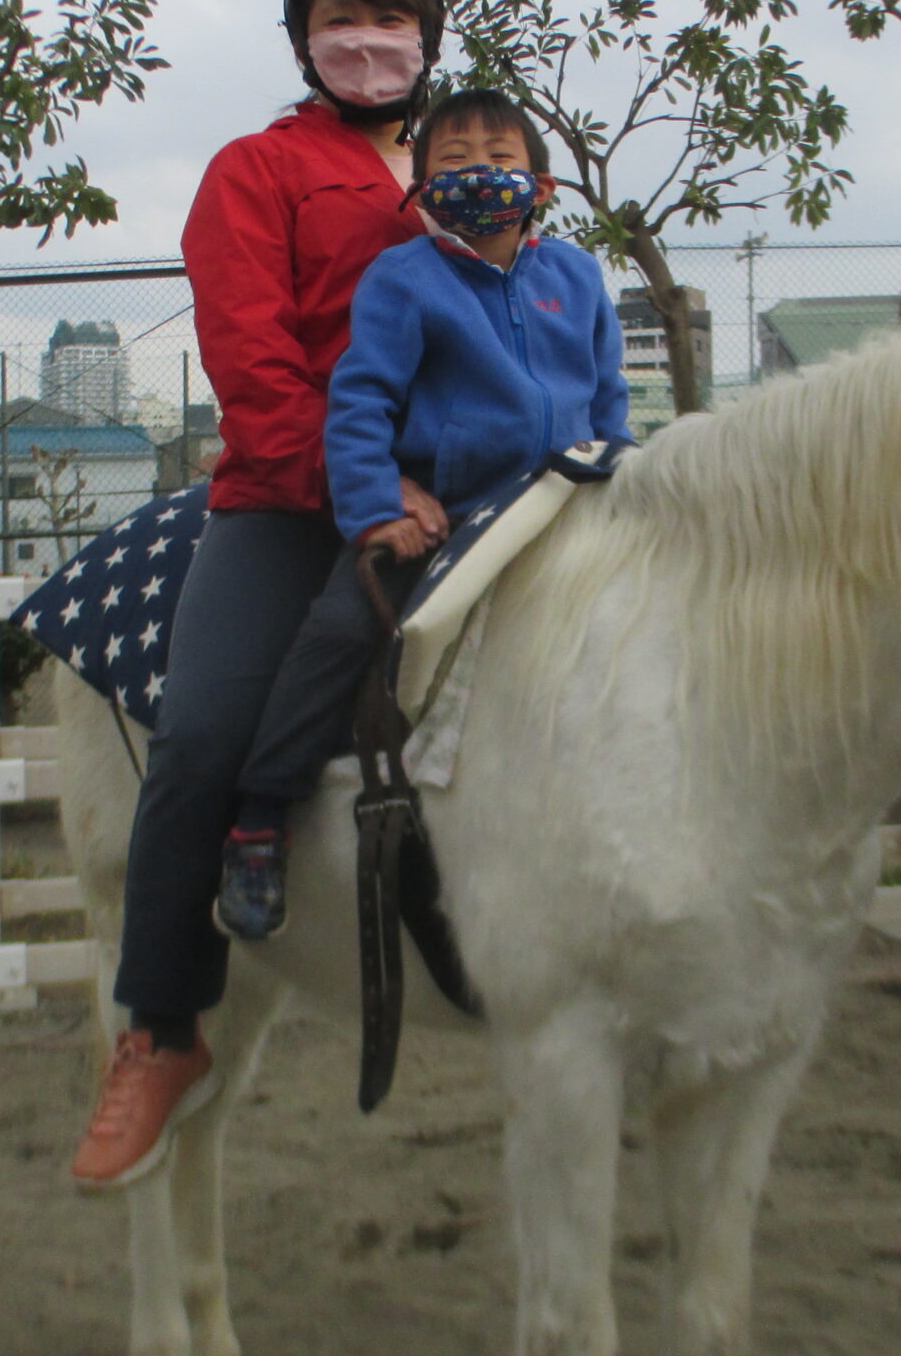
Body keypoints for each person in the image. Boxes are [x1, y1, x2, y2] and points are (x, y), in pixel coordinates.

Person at [73, 0, 447, 1190]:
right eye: (340, 15)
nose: (366, 38)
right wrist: (363, 490)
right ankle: (164, 1024)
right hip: (291, 503)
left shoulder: (468, 167)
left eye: (389, 16)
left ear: (426, 38)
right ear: (300, 36)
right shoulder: (254, 171)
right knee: (199, 736)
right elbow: (255, 368)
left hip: (475, 485)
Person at [212, 87, 635, 940]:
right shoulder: (404, 278)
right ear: (419, 188)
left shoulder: (578, 276)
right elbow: (360, 403)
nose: (480, 174)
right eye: (454, 162)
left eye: (503, 160)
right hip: (447, 511)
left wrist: (621, 474)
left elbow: (611, 395)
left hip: (563, 501)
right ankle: (260, 814)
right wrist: (373, 509)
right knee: (340, 627)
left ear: (542, 188)